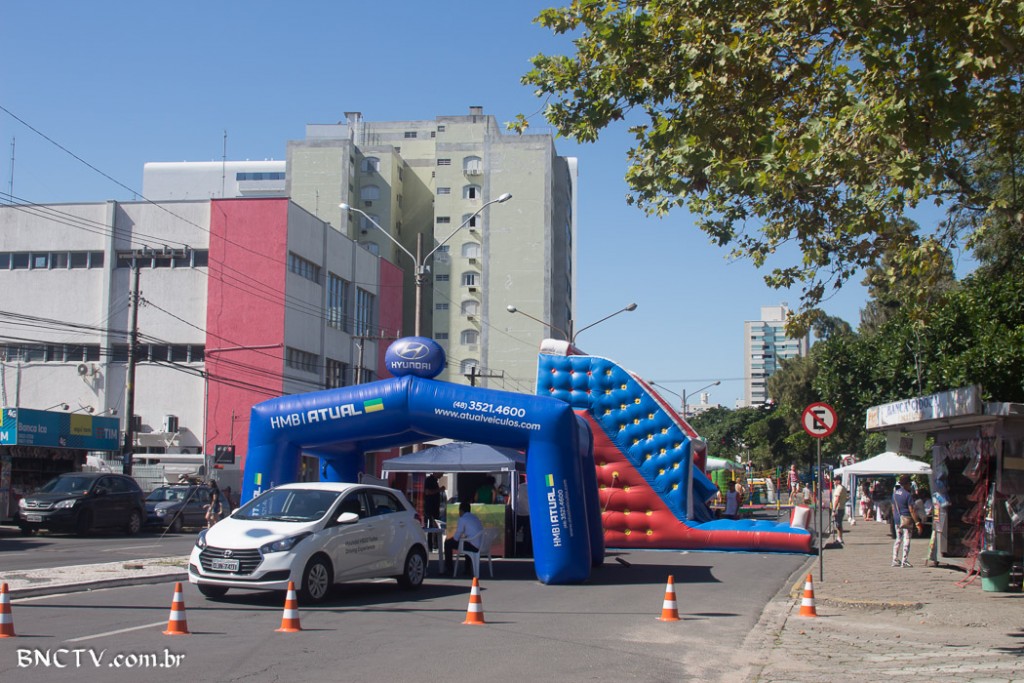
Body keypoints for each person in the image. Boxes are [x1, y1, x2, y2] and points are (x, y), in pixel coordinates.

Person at [444, 500, 483, 572]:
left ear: (461, 510)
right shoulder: (475, 517)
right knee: (466, 542)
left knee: (448, 543)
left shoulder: (463, 518)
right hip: (480, 545)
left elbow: (457, 535)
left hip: (472, 545)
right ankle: (467, 569)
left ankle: (449, 569)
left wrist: (451, 539)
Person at [891, 475, 921, 567]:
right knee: (907, 539)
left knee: (898, 539)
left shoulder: (895, 494)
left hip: (897, 519)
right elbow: (911, 510)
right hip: (906, 519)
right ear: (907, 484)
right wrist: (917, 522)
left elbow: (893, 508)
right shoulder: (908, 495)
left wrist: (896, 517)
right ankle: (904, 560)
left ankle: (895, 559)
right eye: (910, 484)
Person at [831, 475, 849, 545]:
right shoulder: (843, 488)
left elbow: (837, 499)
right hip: (842, 507)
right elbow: (846, 498)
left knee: (838, 524)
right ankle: (839, 538)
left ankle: (840, 538)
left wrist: (834, 509)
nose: (834, 482)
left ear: (838, 481)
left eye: (835, 480)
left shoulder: (839, 488)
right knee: (838, 523)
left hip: (838, 508)